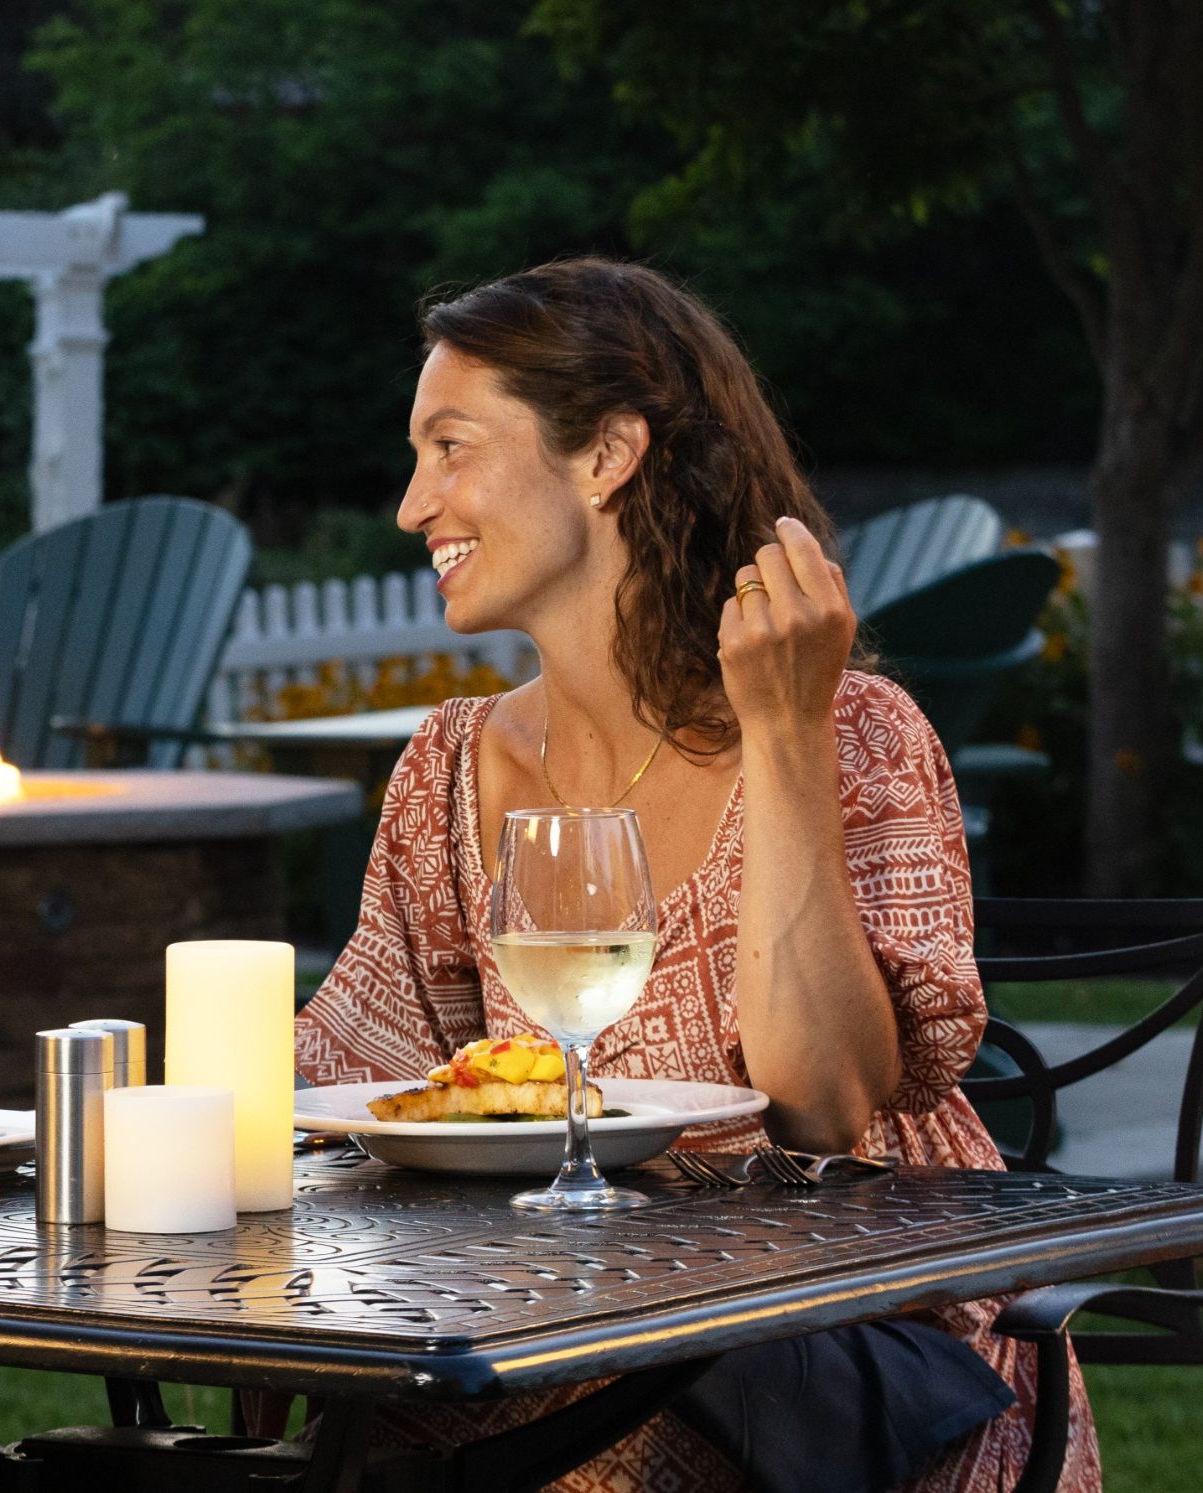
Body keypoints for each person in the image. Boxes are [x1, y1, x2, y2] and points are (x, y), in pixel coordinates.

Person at [293, 259, 1098, 1493]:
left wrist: (782, 739)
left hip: (854, 1352)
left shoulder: (853, 733)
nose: (413, 504)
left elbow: (823, 1101)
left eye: (450, 446)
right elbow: (363, 1080)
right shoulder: (451, 768)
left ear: (607, 453)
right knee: (336, 1434)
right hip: (556, 1321)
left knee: (591, 1447)